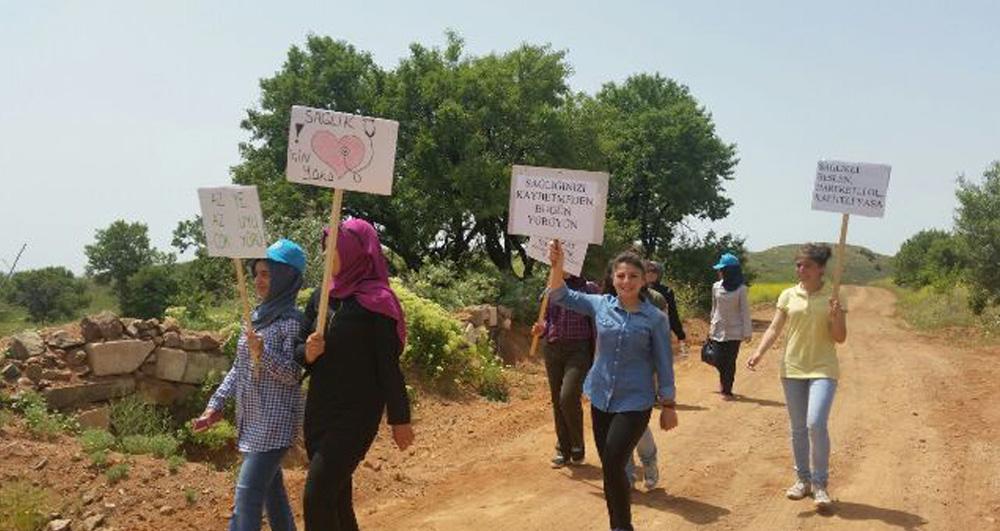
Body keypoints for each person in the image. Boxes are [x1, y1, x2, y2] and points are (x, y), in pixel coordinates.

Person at [547, 242, 677, 531]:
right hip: (601, 397)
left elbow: (664, 364)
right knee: (610, 467)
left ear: (644, 280)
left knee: (614, 460)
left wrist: (668, 405)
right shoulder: (601, 304)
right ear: (613, 278)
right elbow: (560, 295)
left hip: (635, 402)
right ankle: (618, 525)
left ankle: (622, 527)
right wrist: (558, 265)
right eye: (621, 276)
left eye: (633, 276)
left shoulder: (655, 319)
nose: (626, 281)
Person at [296, 219, 415, 530]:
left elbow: (388, 366)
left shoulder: (378, 303)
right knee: (336, 498)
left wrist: (400, 419)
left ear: (353, 250)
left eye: (332, 249)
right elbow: (297, 347)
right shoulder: (320, 298)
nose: (326, 256)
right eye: (324, 250)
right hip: (319, 410)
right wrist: (307, 352)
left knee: (316, 497)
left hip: (356, 415)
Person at [194, 239, 307, 531]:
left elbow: (293, 374)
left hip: (275, 424)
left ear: (285, 277)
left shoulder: (292, 322)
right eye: (256, 273)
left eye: (266, 274)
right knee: (274, 498)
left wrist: (263, 353)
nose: (257, 280)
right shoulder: (255, 318)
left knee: (245, 499)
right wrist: (215, 405)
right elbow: (239, 368)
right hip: (252, 420)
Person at [746, 243, 847, 509]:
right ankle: (802, 481)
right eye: (798, 265)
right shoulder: (788, 295)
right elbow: (774, 328)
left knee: (816, 423)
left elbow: (840, 338)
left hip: (823, 368)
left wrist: (836, 316)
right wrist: (759, 352)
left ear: (821, 269)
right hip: (792, 368)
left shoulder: (834, 296)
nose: (801, 270)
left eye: (807, 266)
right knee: (798, 428)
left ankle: (820, 484)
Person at [531, 273, 599, 468]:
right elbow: (547, 321)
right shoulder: (549, 289)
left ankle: (577, 444)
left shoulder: (589, 289)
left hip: (579, 350)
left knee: (567, 397)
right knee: (557, 400)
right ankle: (563, 448)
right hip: (553, 349)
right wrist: (540, 329)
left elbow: (599, 319)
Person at [708, 253, 752, 400]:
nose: (719, 272)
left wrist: (747, 332)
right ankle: (724, 381)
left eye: (722, 269)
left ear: (729, 271)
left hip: (735, 330)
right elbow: (714, 308)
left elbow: (745, 311)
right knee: (718, 359)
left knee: (730, 361)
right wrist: (710, 327)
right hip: (718, 328)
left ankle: (727, 389)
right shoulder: (715, 287)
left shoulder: (741, 289)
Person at [644, 260, 688, 355]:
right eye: (648, 271)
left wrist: (680, 334)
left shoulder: (667, 291)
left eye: (654, 271)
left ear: (659, 273)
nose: (650, 274)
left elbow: (673, 314)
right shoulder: (635, 289)